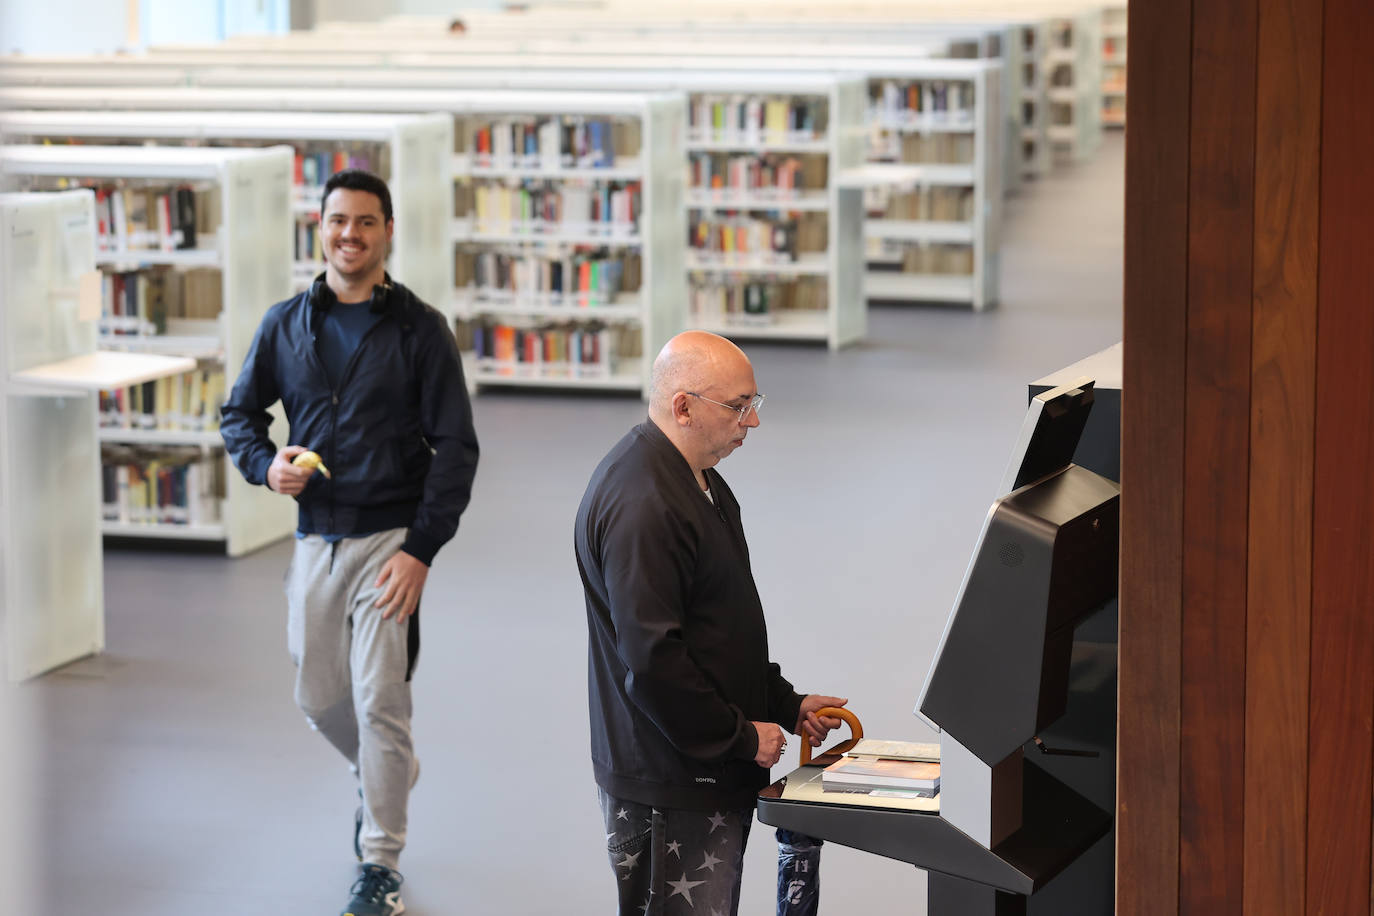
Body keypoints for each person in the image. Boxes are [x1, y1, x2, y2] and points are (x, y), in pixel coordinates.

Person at [220, 168, 479, 916]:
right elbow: (239, 414)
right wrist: (264, 465)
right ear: (321, 228)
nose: (350, 235)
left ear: (387, 232)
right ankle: (387, 771)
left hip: (390, 540)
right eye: (338, 221)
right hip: (316, 539)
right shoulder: (286, 323)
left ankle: (379, 865)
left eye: (366, 222)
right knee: (317, 694)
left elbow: (456, 447)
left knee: (379, 702)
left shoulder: (420, 330)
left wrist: (421, 550)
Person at [574, 330, 846, 916]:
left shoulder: (701, 482)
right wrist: (743, 737)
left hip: (702, 768)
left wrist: (782, 702)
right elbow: (653, 662)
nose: (752, 421)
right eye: (738, 406)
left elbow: (720, 627)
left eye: (755, 404)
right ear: (683, 406)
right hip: (670, 785)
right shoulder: (643, 505)